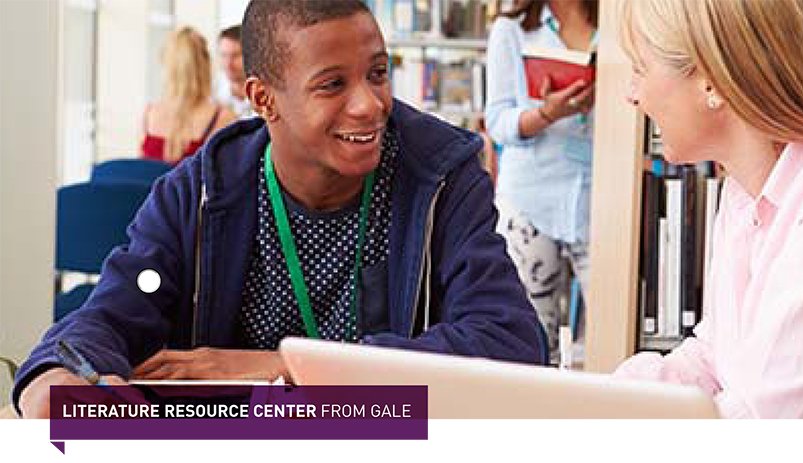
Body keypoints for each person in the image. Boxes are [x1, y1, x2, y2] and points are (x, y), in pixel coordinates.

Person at [14, 0, 546, 418]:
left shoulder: (441, 179)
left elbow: (508, 343)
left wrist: (287, 368)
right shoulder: (196, 192)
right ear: (263, 98)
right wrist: (53, 376)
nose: (369, 104)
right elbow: (117, 310)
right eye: (333, 84)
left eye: (378, 73)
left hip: (388, 437)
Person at [615, 0, 803, 418]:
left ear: (710, 82)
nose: (631, 94)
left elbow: (767, 417)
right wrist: (601, 399)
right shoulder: (745, 193)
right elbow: (715, 359)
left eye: (640, 68)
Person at [485, 0, 597, 365]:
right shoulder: (512, 29)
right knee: (529, 341)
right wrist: (547, 113)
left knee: (609, 338)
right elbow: (498, 121)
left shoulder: (616, 27)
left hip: (601, 201)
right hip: (530, 201)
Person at [141, 27, 236, 164]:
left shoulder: (148, 115)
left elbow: (139, 175)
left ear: (166, 65)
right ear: (205, 64)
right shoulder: (223, 118)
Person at [215, 25, 256, 119]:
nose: (228, 64)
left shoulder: (266, 92)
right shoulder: (213, 92)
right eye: (224, 55)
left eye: (236, 55)